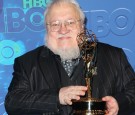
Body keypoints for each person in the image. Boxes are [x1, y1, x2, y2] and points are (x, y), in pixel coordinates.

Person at [4, 0, 135, 115]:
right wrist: (57, 97)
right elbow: (13, 102)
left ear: (82, 26)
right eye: (55, 24)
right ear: (46, 28)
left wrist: (119, 103)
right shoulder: (27, 62)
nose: (63, 29)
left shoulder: (113, 55)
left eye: (70, 22)